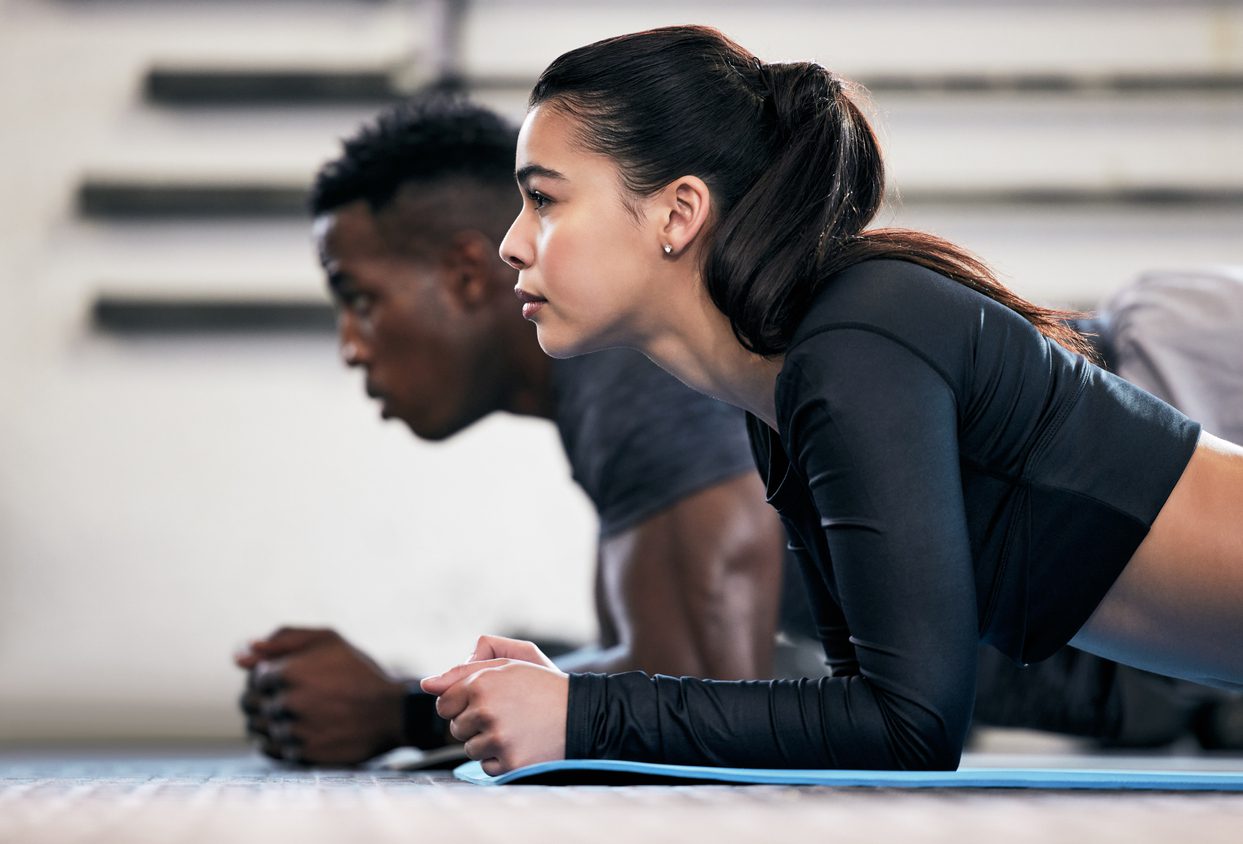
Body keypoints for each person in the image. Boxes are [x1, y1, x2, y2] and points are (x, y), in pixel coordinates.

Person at [420, 26, 1243, 775]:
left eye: (545, 199)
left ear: (677, 212)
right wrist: (570, 700)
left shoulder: (853, 344)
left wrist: (582, 714)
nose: (511, 241)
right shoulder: (781, 392)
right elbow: (858, 707)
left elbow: (908, 727)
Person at [233, 96, 788, 766]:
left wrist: (410, 709)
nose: (349, 345)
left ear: (466, 276)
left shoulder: (632, 362)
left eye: (359, 299)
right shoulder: (610, 379)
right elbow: (675, 666)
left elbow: (702, 688)